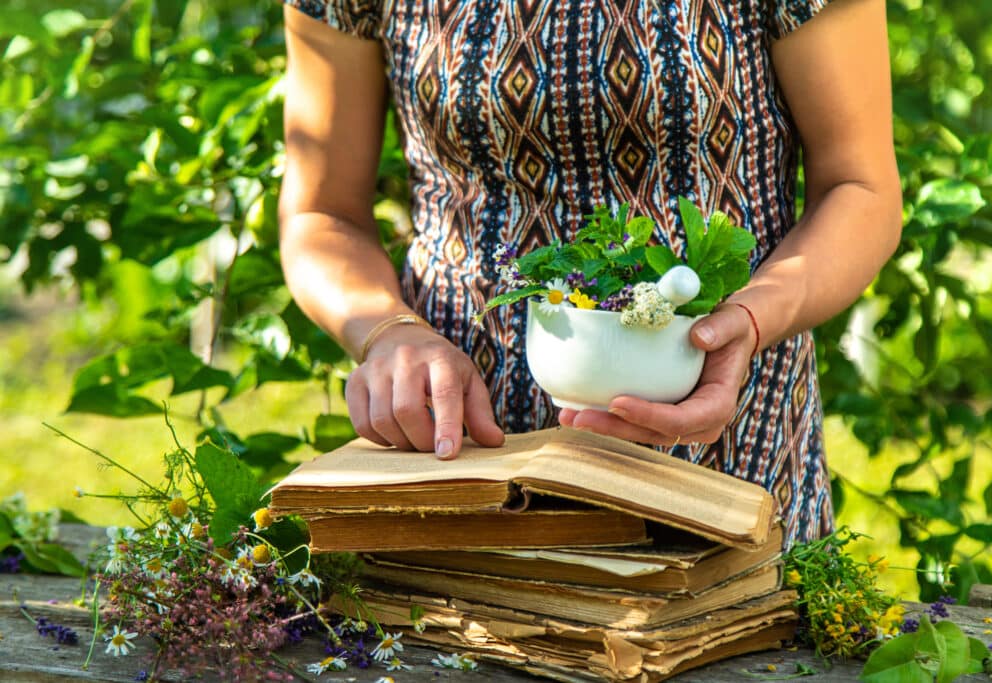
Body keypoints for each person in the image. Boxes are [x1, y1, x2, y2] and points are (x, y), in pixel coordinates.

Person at [277, 0, 902, 547]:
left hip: (722, 439)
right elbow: (321, 212)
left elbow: (861, 190)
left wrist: (752, 317)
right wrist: (388, 334)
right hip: (462, 448)